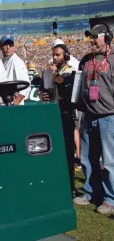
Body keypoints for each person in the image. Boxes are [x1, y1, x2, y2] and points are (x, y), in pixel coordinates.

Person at [73, 23, 114, 214]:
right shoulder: (85, 60)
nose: (91, 40)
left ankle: (110, 198)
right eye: (90, 36)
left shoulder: (113, 60)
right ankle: (90, 191)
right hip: (88, 116)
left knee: (109, 161)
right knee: (87, 158)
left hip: (109, 117)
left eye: (95, 36)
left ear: (107, 37)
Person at [39, 44, 77, 195]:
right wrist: (42, 94)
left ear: (65, 56)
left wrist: (54, 75)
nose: (55, 58)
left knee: (67, 152)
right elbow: (42, 89)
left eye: (58, 55)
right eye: (54, 55)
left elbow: (66, 87)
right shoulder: (49, 72)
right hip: (52, 114)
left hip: (66, 114)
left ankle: (71, 186)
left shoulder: (70, 71)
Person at [0, 35, 30, 105]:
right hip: (6, 102)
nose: (8, 47)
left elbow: (25, 83)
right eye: (5, 45)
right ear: (0, 47)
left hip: (13, 104)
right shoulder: (3, 61)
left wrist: (16, 103)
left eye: (10, 45)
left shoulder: (16, 61)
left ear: (14, 46)